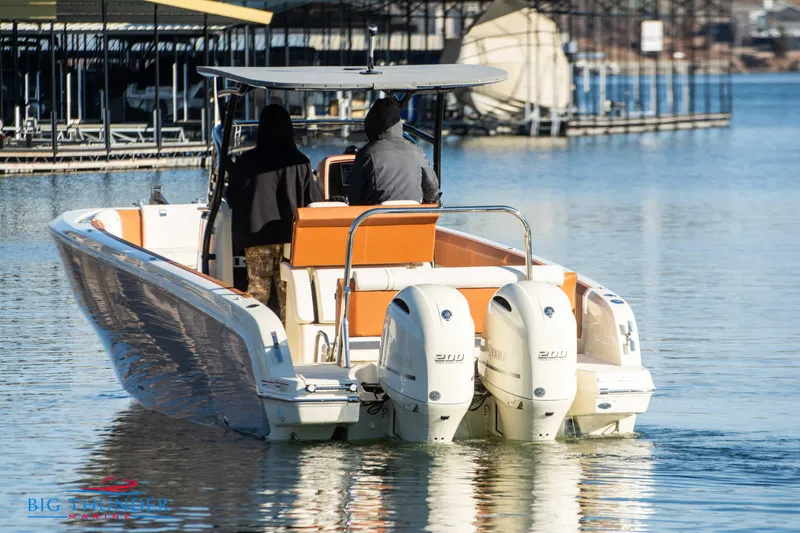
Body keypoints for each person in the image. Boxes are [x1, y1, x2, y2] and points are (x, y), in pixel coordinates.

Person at [225, 104, 322, 321]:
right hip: (290, 239)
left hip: (257, 237)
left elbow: (232, 198)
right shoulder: (301, 162)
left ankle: (255, 333)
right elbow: (314, 202)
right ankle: (290, 340)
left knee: (258, 293)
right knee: (287, 294)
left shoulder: (246, 161)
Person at [347, 98, 440, 206]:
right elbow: (432, 192)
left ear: (370, 123)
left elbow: (354, 199)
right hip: (412, 219)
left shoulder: (366, 154)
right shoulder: (417, 151)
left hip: (376, 220)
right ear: (398, 123)